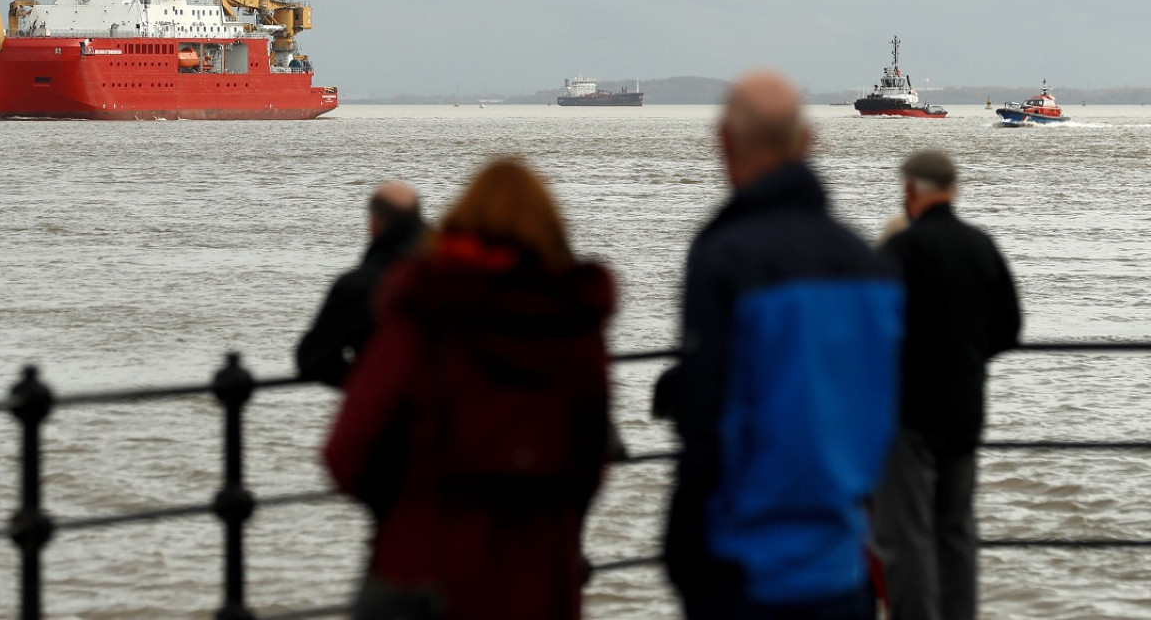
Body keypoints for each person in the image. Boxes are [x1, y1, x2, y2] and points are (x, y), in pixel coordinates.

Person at [323, 158, 614, 620]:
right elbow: (590, 461)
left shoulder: (423, 312)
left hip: (423, 568)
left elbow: (347, 453)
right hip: (536, 579)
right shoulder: (575, 326)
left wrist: (402, 509)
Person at [660, 70, 903, 619]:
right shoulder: (871, 267)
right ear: (807, 142)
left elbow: (706, 419)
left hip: (746, 570)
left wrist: (681, 550)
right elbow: (882, 412)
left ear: (724, 141)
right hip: (843, 564)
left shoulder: (724, 258)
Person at [872, 150, 1021, 620]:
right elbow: (1010, 326)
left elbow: (871, 330)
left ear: (910, 190)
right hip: (965, 410)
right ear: (954, 189)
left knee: (910, 535)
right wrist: (970, 358)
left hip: (911, 414)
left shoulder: (901, 251)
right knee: (956, 530)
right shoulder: (982, 245)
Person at [295, 180, 426, 386]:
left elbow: (312, 358)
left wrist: (370, 385)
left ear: (373, 224)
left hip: (390, 409)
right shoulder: (458, 274)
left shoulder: (358, 286)